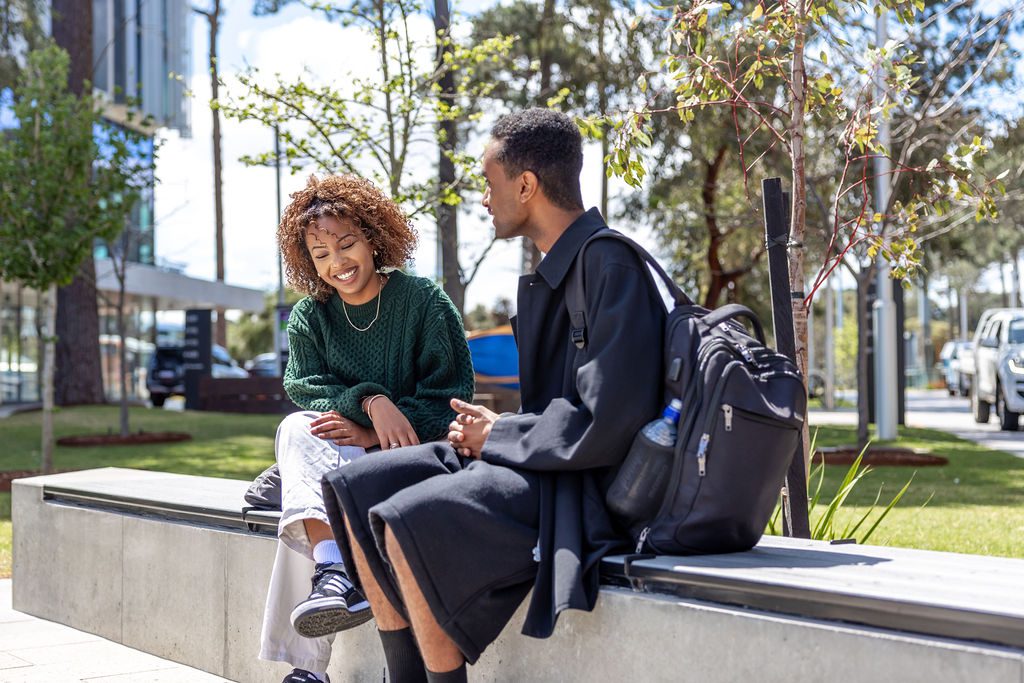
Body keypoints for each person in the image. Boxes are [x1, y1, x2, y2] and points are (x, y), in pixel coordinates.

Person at [320, 108, 667, 682]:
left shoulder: (611, 264)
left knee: (408, 519)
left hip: (582, 489)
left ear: (526, 185)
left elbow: (610, 420)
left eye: (489, 182)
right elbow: (565, 403)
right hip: (546, 462)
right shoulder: (562, 269)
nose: (483, 198)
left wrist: (501, 434)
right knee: (357, 489)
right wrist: (496, 427)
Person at [259, 174, 475, 683]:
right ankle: (333, 571)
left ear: (374, 236)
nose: (337, 263)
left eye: (346, 243)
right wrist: (370, 402)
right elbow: (303, 385)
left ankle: (308, 663)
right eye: (319, 254)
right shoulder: (311, 316)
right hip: (342, 457)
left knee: (313, 500)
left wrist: (375, 433)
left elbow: (451, 398)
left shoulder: (423, 302)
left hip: (411, 457)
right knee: (297, 429)